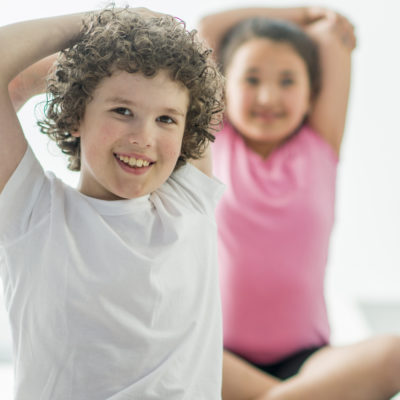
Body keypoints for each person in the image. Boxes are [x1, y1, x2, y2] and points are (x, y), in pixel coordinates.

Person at [0, 7, 225, 399]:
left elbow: (200, 69)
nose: (143, 137)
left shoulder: (190, 200)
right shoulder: (33, 210)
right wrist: (98, 22)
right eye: (122, 111)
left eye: (166, 120)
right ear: (76, 114)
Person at [198, 6, 400, 400]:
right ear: (224, 88)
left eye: (287, 81)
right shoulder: (214, 143)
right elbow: (207, 28)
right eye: (251, 79)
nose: (268, 96)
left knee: (395, 353)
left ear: (312, 93)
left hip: (309, 362)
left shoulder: (320, 144)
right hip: (219, 356)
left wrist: (322, 20)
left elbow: (330, 37)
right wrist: (304, 12)